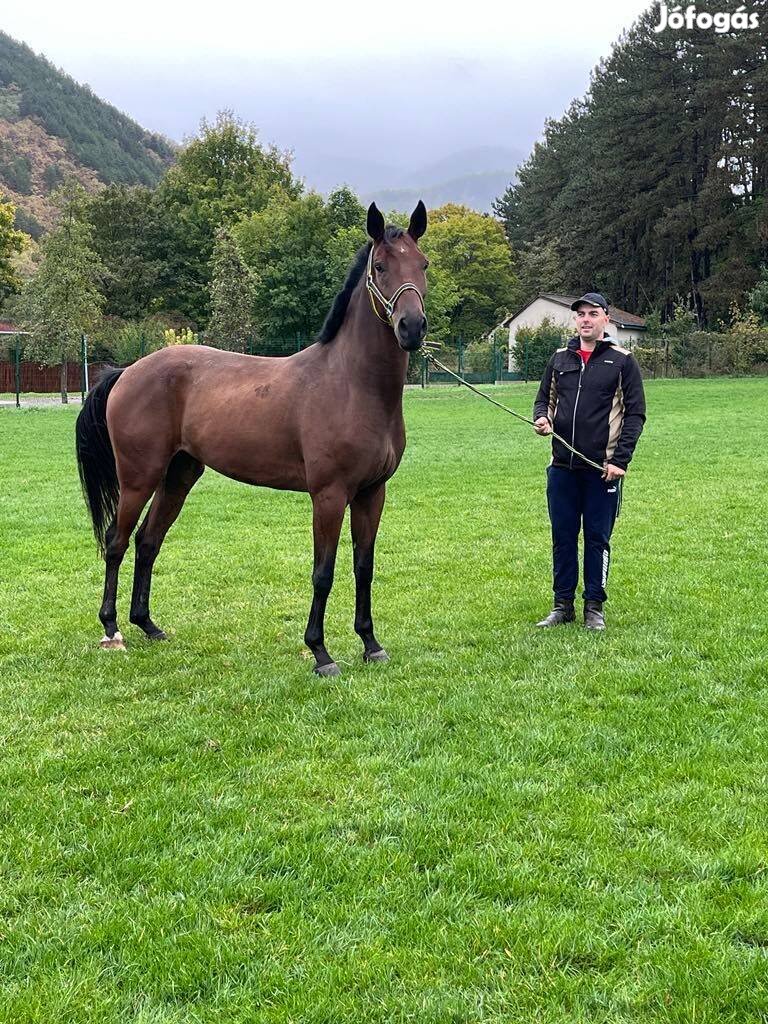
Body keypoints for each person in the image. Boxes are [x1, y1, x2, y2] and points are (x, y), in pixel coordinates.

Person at [532, 293, 646, 630]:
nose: (585, 319)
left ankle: (594, 607)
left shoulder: (622, 361)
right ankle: (562, 605)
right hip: (562, 468)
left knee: (597, 539)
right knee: (563, 537)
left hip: (603, 471)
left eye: (593, 314)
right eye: (580, 314)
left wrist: (620, 461)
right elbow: (544, 400)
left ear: (605, 319)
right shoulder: (559, 360)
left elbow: (635, 415)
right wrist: (543, 420)